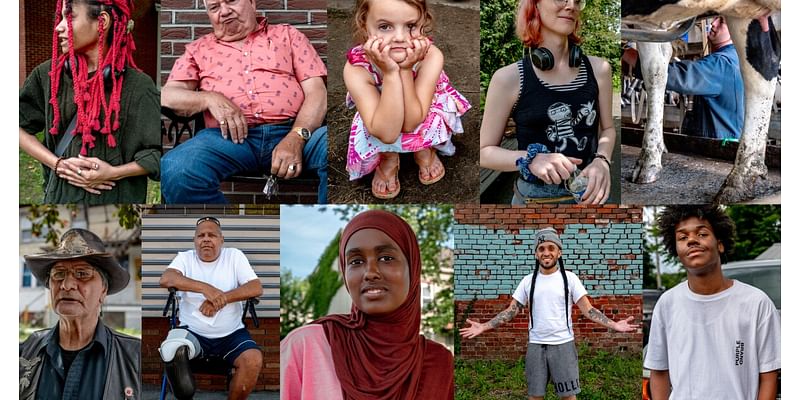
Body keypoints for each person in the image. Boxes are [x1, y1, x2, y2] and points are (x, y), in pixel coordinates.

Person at [161, 0, 328, 204]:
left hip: (296, 133)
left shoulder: (288, 36)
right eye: (214, 7)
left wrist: (296, 137)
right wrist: (209, 98)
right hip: (228, 140)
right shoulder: (199, 49)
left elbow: (317, 92)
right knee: (177, 168)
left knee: (334, 147)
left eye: (231, 1)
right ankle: (225, 227)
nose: (223, 11)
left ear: (252, 3)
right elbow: (168, 96)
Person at [280, 210, 454, 399]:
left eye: (386, 258)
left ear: (412, 268)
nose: (370, 272)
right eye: (356, 261)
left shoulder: (441, 363)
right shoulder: (305, 347)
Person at [460, 227, 638, 400]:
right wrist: (484, 326)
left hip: (564, 345)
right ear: (536, 254)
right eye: (541, 249)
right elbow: (511, 310)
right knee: (535, 396)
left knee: (568, 395)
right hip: (536, 346)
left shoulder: (570, 279)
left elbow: (589, 310)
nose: (546, 252)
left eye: (551, 248)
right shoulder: (527, 281)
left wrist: (614, 324)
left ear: (559, 252)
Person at [19, 0, 161, 204]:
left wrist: (114, 173)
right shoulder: (48, 75)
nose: (58, 27)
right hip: (59, 203)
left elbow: (158, 155)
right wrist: (57, 164)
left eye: (70, 17)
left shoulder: (140, 87)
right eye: (60, 18)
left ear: (102, 22)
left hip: (118, 210)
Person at [480, 0, 615, 204]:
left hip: (591, 195)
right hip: (533, 201)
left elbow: (608, 129)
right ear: (534, 5)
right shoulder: (508, 78)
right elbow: (484, 152)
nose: (571, 5)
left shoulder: (599, 70)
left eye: (577, 0)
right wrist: (531, 159)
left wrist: (602, 160)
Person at [646, 206, 780, 399]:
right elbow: (659, 371)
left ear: (720, 244)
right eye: (682, 237)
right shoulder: (667, 303)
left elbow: (768, 376)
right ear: (676, 250)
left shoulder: (755, 302)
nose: (692, 240)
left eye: (702, 233)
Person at [344, 0, 472, 199]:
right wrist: (390, 74)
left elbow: (412, 122)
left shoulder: (431, 56)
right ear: (364, 25)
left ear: (423, 23)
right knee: (379, 126)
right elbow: (386, 133)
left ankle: (424, 149)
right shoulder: (356, 68)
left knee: (420, 121)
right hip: (382, 118)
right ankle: (388, 157)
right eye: (385, 27)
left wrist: (404, 70)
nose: (400, 38)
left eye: (411, 26)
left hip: (421, 112)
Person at [20, 228, 140, 399]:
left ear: (103, 290)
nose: (67, 284)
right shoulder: (24, 352)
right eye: (59, 274)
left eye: (82, 274)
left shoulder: (135, 357)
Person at [158, 216, 264, 400]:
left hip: (231, 334)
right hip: (192, 332)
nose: (206, 239)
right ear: (195, 240)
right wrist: (207, 289)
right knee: (172, 350)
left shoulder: (234, 256)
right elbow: (166, 279)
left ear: (221, 240)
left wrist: (219, 299)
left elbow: (256, 287)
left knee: (253, 359)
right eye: (201, 236)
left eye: (212, 235)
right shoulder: (185, 258)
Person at [622, 16, 744, 139]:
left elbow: (674, 76)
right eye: (715, 18)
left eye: (722, 21)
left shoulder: (722, 64)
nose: (713, 23)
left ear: (736, 29)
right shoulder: (738, 59)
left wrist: (624, 52)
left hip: (718, 145)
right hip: (725, 138)